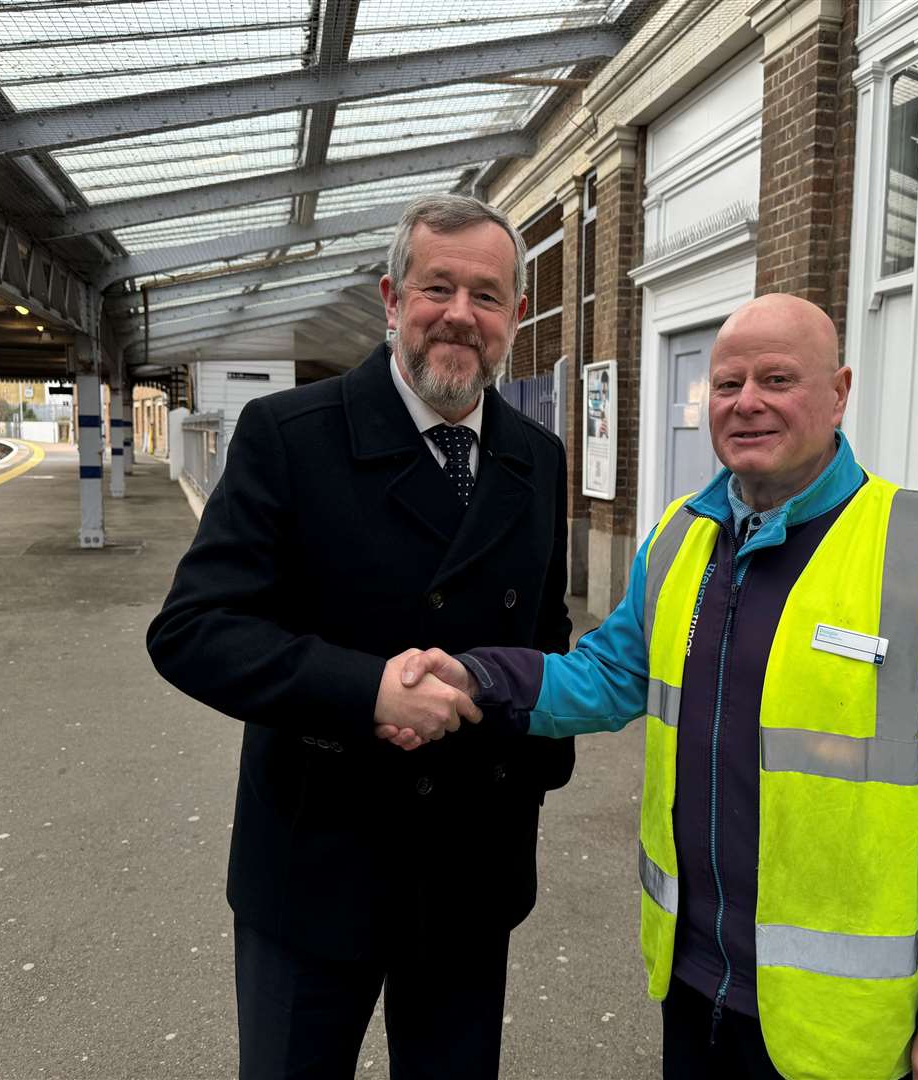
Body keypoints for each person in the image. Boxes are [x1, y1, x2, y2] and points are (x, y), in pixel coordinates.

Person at [391, 294, 918, 1080]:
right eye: (728, 382)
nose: (747, 403)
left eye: (777, 379)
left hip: (846, 1033)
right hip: (694, 988)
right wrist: (476, 675)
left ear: (839, 392)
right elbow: (607, 675)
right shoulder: (680, 537)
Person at [146, 194, 575, 1080]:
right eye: (437, 288)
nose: (460, 314)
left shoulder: (539, 458)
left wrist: (531, 750)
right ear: (391, 298)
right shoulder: (289, 437)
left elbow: (546, 633)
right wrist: (366, 691)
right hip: (316, 866)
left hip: (470, 866)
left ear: (515, 318)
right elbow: (193, 629)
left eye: (487, 296)